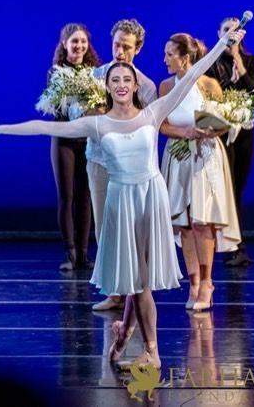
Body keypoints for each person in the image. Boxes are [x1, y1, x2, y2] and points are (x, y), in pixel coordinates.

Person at [0, 27, 246, 369]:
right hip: (122, 203)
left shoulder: (153, 112)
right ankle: (127, 334)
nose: (121, 84)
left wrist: (223, 44)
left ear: (134, 86)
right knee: (135, 279)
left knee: (140, 280)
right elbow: (44, 127)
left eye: (126, 80)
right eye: (115, 80)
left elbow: (194, 73)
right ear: (107, 85)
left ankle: (150, 350)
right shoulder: (98, 124)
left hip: (150, 199)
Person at [159, 33, 241, 311]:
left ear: (185, 58)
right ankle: (193, 282)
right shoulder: (165, 86)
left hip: (205, 156)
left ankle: (207, 282)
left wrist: (210, 130)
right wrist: (185, 132)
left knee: (202, 221)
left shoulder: (208, 85)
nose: (165, 59)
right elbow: (161, 124)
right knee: (183, 222)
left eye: (170, 54)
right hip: (178, 156)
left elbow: (224, 123)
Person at [90, 19, 158, 311]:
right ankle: (114, 291)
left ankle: (133, 290)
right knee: (103, 226)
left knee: (132, 229)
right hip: (99, 160)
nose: (120, 51)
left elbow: (150, 128)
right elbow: (77, 115)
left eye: (126, 47)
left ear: (137, 49)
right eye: (116, 44)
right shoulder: (95, 77)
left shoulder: (146, 86)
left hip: (131, 167)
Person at [44, 23, 101, 270]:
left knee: (85, 197)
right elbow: (54, 107)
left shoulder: (95, 73)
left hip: (87, 140)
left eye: (83, 42)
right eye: (74, 41)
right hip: (63, 140)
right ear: (65, 44)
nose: (79, 46)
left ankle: (84, 254)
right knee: (66, 197)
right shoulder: (56, 72)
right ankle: (70, 253)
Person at [206, 17, 254, 267]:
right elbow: (214, 94)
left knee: (237, 188)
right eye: (226, 30)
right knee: (226, 189)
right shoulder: (212, 64)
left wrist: (238, 58)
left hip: (244, 132)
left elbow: (253, 90)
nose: (231, 33)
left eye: (236, 30)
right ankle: (230, 245)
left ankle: (238, 246)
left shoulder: (251, 61)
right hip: (221, 132)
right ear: (219, 34)